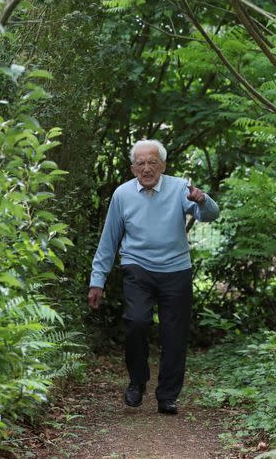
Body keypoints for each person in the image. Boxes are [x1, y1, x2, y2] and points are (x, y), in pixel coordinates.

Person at [87, 139, 219, 415]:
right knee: (136, 323)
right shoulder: (122, 194)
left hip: (176, 269)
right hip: (138, 267)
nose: (147, 168)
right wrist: (97, 280)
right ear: (133, 167)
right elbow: (109, 240)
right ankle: (137, 381)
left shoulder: (180, 188)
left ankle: (167, 396)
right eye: (141, 163)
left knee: (174, 335)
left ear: (163, 165)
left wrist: (203, 200)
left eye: (152, 162)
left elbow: (210, 215)